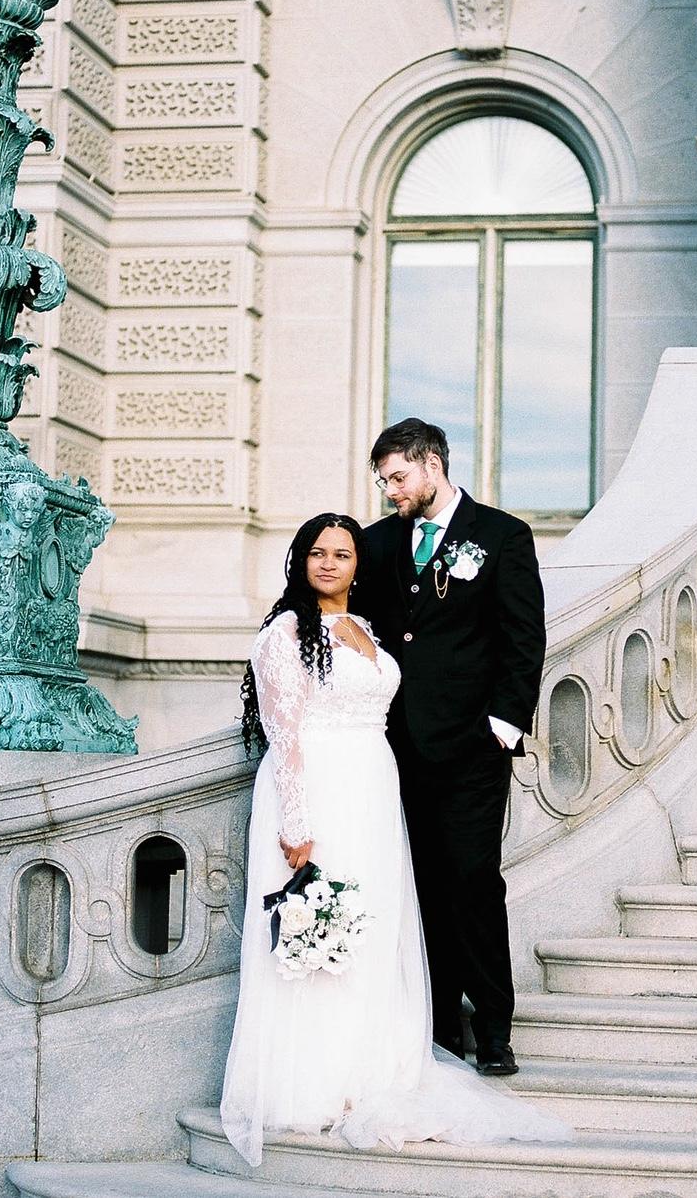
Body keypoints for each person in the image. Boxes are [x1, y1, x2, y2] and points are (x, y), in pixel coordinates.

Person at [218, 513, 567, 1166]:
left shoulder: (367, 628)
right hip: (319, 791)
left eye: (342, 553)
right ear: (299, 561)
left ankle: (371, 1059)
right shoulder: (284, 633)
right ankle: (319, 1076)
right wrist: (295, 823)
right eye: (317, 553)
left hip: (374, 794)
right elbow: (284, 733)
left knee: (373, 926)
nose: (329, 563)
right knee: (322, 928)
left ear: (359, 566)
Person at [354, 419, 545, 1077]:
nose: (391, 491)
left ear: (432, 465)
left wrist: (503, 726)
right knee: (422, 888)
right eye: (384, 482)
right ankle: (438, 1030)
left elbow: (523, 637)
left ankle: (493, 1029)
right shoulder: (376, 543)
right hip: (396, 748)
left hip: (472, 749)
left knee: (472, 882)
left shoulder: (501, 535)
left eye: (398, 478)